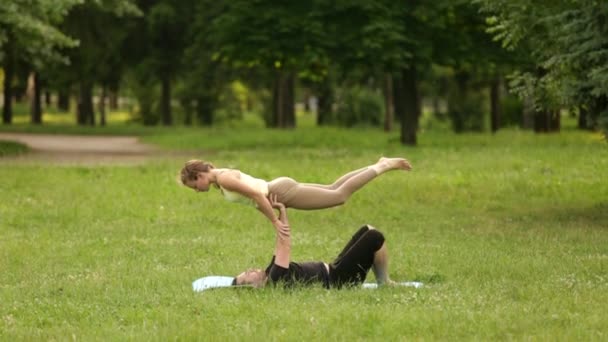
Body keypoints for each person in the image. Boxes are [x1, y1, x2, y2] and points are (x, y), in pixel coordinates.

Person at [180, 157, 412, 234]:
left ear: (199, 175)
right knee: (333, 188)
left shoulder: (224, 179)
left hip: (279, 191)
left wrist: (276, 223)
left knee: (339, 196)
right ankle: (378, 164)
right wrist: (276, 216)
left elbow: (259, 197)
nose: (197, 191)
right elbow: (257, 200)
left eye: (193, 186)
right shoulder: (221, 179)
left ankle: (382, 167)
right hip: (279, 190)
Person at [232, 194, 396, 289]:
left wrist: (281, 211)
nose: (251, 270)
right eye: (248, 275)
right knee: (374, 237)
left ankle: (384, 281)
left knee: (367, 229)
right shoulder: (275, 280)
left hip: (333, 269)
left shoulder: (270, 273)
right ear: (252, 287)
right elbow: (285, 244)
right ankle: (384, 283)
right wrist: (277, 216)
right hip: (338, 280)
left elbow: (280, 241)